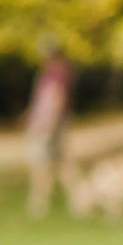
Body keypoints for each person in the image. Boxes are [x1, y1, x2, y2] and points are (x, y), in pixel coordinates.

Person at [23, 38, 81, 218]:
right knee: (62, 163)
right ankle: (78, 201)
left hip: (49, 125)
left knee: (42, 164)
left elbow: (57, 100)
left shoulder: (57, 74)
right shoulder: (55, 73)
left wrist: (47, 124)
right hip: (52, 124)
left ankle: (39, 205)